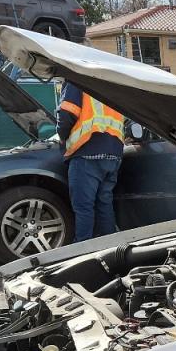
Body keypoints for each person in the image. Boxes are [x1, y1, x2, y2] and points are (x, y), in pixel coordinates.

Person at [56, 81, 125, 242]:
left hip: (86, 152)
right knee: (104, 204)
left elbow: (67, 113)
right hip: (113, 153)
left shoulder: (74, 80)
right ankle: (110, 246)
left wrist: (61, 137)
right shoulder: (109, 85)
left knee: (83, 207)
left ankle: (82, 249)